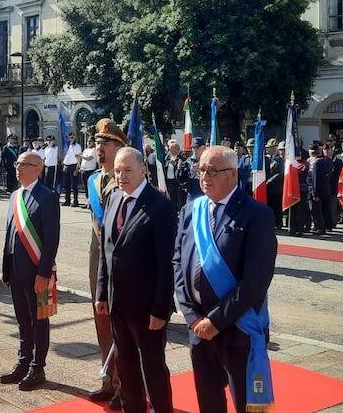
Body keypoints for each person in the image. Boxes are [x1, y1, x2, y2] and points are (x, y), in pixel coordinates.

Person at [174, 146, 277, 412]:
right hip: (198, 327)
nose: (204, 176)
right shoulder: (190, 211)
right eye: (202, 169)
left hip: (237, 327)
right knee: (208, 401)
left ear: (232, 174)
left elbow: (256, 280)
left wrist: (216, 320)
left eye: (213, 170)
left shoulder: (257, 215)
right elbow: (178, 262)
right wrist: (192, 316)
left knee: (244, 403)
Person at [95, 148, 175, 413]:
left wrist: (161, 308)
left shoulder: (160, 205)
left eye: (128, 170)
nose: (121, 176)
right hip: (118, 303)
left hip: (147, 308)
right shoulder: (114, 199)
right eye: (117, 170)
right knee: (126, 367)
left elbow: (166, 263)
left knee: (153, 368)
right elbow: (107, 253)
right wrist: (101, 293)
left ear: (143, 170)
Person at [1, 151, 59, 391]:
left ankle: (38, 367)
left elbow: (51, 238)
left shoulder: (48, 197)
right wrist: (5, 269)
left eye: (24, 164)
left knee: (39, 320)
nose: (18, 168)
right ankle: (23, 362)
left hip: (37, 272)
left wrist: (44, 274)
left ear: (38, 168)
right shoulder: (15, 196)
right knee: (22, 319)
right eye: (17, 164)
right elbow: (9, 235)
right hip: (15, 269)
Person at [84, 119, 127, 409]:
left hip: (121, 261)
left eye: (106, 143)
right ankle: (107, 379)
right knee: (101, 319)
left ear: (120, 147)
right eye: (98, 143)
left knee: (122, 324)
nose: (100, 148)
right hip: (97, 258)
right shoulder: (92, 180)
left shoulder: (127, 180)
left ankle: (125, 387)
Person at [307, 143, 333, 234]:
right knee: (315, 210)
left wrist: (315, 194)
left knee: (315, 210)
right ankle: (318, 226)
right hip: (316, 190)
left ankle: (320, 228)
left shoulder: (317, 162)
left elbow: (316, 180)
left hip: (314, 191)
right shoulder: (321, 161)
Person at [265, 138, 284, 230]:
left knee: (276, 206)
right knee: (269, 206)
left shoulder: (279, 160)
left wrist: (269, 181)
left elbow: (280, 173)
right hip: (266, 187)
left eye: (270, 148)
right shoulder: (266, 159)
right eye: (267, 147)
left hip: (276, 187)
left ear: (275, 148)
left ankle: (278, 223)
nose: (268, 149)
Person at [61, 132, 82, 207]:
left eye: (73, 136)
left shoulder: (77, 146)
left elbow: (79, 158)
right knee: (67, 185)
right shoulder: (67, 146)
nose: (71, 137)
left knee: (74, 186)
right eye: (70, 136)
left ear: (75, 137)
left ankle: (75, 201)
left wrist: (77, 169)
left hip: (73, 166)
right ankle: (67, 200)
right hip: (66, 166)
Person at [184, 137, 207, 202]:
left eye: (197, 147)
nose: (195, 150)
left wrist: (201, 172)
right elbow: (182, 179)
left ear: (204, 147)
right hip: (191, 193)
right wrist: (180, 170)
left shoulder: (208, 160)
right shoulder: (189, 161)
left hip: (204, 193)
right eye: (193, 147)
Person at [78, 137, 98, 210]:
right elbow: (82, 160)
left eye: (90, 141)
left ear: (93, 142)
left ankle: (91, 203)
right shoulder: (85, 150)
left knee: (90, 188)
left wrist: (81, 156)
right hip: (83, 170)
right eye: (87, 141)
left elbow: (89, 158)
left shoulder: (94, 150)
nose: (88, 142)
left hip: (90, 171)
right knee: (86, 188)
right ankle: (87, 202)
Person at [164, 139, 183, 213]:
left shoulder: (181, 157)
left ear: (177, 149)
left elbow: (180, 167)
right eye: (170, 148)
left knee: (178, 198)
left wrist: (174, 163)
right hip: (169, 181)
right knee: (171, 198)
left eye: (171, 148)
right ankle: (173, 212)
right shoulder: (168, 157)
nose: (170, 150)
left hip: (176, 181)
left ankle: (178, 212)